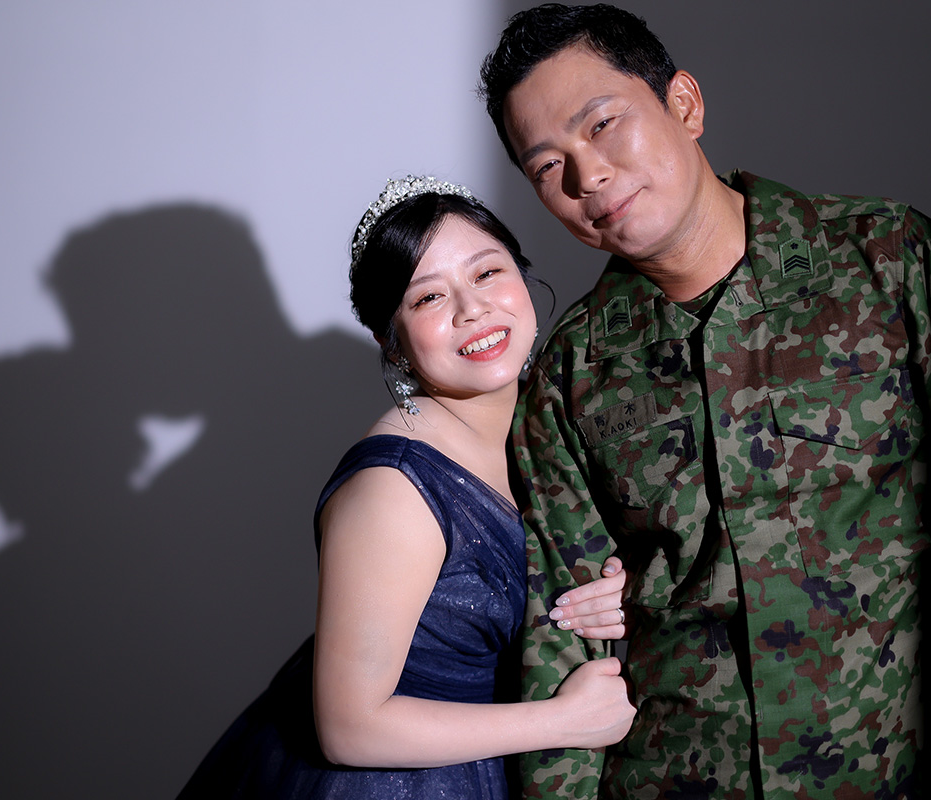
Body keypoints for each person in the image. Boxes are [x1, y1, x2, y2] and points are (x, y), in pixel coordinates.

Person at [478, 4, 931, 799]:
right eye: (547, 167)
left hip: (891, 773)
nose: (589, 177)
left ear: (684, 104)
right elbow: (564, 640)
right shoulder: (568, 375)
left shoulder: (893, 264)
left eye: (603, 125)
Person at [176, 175, 636, 799]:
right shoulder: (393, 488)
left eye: (487, 273)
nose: (472, 309)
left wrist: (613, 590)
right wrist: (562, 721)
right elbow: (349, 727)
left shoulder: (555, 420)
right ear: (391, 342)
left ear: (523, 278)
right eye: (428, 298)